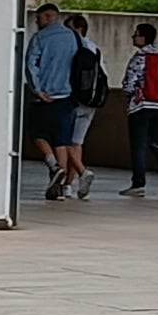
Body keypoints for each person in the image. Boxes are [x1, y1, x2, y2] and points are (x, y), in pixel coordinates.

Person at [23, 0, 83, 202]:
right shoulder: (73, 37)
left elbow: (31, 65)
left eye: (38, 18)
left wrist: (37, 90)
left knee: (38, 134)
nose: (37, 23)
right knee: (62, 141)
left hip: (45, 95)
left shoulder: (40, 38)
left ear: (48, 16)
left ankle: (53, 165)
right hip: (67, 96)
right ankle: (61, 186)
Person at [121, 20, 158, 195]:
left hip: (141, 107)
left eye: (136, 34)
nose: (133, 37)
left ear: (143, 38)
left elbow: (129, 85)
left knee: (139, 145)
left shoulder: (139, 58)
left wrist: (128, 93)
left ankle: (138, 184)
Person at [62, 13, 108, 199]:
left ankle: (80, 174)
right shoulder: (95, 48)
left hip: (72, 99)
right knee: (77, 143)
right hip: (90, 101)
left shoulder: (72, 47)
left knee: (62, 140)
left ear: (78, 29)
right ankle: (70, 183)